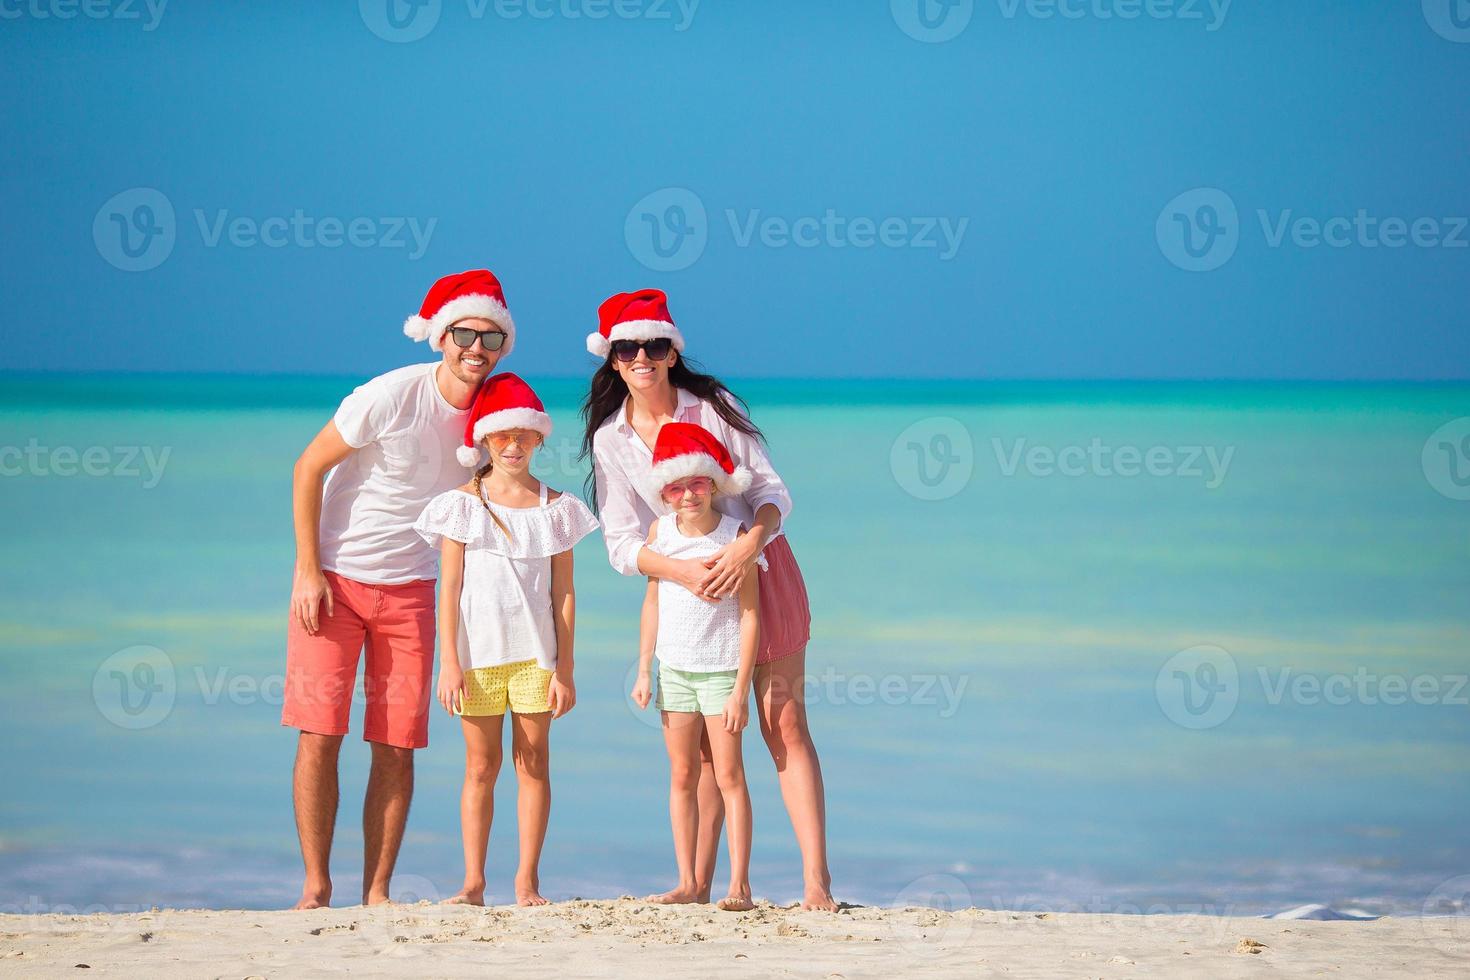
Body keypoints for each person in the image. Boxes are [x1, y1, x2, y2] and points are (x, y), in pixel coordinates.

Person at [582, 288, 838, 911]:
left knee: (785, 726)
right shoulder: (611, 439)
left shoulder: (712, 407)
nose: (642, 356)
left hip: (761, 571)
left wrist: (750, 543)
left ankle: (815, 885)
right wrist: (680, 572)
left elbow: (771, 489)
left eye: (655, 345)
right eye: (628, 347)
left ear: (672, 352)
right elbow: (620, 541)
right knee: (699, 751)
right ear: (612, 359)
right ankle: (696, 884)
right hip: (684, 597)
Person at [281, 269, 516, 909]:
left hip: (413, 592)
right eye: (465, 334)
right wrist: (307, 569)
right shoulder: (388, 395)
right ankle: (315, 887)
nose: (476, 349)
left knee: (396, 744)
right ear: (441, 336)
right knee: (319, 732)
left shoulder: (493, 413)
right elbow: (308, 468)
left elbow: (510, 485)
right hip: (334, 582)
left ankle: (377, 893)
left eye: (491, 339)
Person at [414, 373, 598, 907]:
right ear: (485, 441)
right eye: (502, 436)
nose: (513, 446)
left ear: (540, 440)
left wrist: (565, 669)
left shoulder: (557, 508)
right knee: (481, 767)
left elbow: (564, 594)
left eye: (524, 436)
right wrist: (448, 663)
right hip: (477, 660)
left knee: (534, 762)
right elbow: (447, 591)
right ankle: (472, 882)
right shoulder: (460, 505)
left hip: (536, 660)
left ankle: (527, 882)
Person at [631, 422, 763, 912]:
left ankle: (739, 886)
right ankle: (687, 881)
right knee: (682, 774)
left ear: (714, 484)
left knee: (729, 775)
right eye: (677, 486)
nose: (689, 494)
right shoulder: (659, 535)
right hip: (675, 673)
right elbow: (652, 604)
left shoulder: (736, 537)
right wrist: (644, 669)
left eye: (698, 483)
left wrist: (739, 690)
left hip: (723, 673)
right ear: (664, 492)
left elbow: (750, 616)